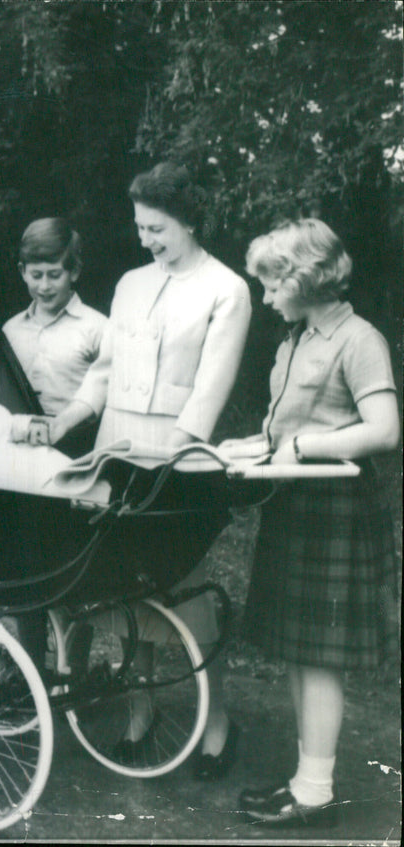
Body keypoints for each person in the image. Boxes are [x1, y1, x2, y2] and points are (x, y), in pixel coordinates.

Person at [35, 162, 252, 776]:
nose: (146, 239)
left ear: (188, 220)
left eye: (156, 227)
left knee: (181, 590)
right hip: (117, 443)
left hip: (176, 454)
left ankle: (216, 723)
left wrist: (173, 459)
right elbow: (103, 373)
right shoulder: (130, 283)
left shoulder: (225, 289)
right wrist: (67, 424)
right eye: (140, 227)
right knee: (126, 587)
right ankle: (141, 709)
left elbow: (211, 387)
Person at [219, 219, 399, 826]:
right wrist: (248, 448)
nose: (265, 297)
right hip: (295, 501)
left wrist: (307, 448)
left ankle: (317, 794)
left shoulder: (359, 339)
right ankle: (305, 780)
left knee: (319, 656)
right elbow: (286, 431)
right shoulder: (294, 340)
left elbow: (384, 429)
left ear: (302, 279)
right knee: (300, 651)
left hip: (335, 507)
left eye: (271, 284)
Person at [3, 218, 107, 452]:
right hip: (18, 447)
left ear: (74, 272)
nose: (45, 286)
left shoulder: (98, 327)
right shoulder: (10, 330)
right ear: (22, 272)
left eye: (54, 274)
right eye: (36, 275)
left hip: (78, 446)